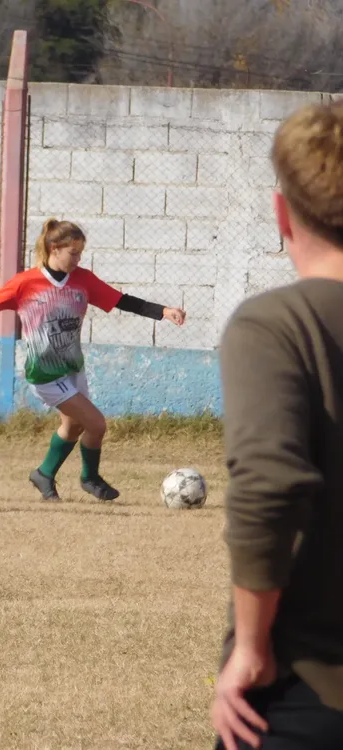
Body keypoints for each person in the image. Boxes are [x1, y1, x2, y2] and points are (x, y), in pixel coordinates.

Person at [211, 102, 343, 749]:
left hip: (310, 691)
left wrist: (251, 645)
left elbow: (269, 484)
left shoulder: (276, 325)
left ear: (281, 213)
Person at [0, 218, 186, 502]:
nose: (78, 259)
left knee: (73, 427)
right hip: (45, 374)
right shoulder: (26, 283)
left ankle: (44, 474)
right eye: (73, 253)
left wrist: (163, 311)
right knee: (96, 424)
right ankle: (90, 478)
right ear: (54, 248)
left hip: (73, 368)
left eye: (80, 253)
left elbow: (121, 300)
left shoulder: (83, 279)